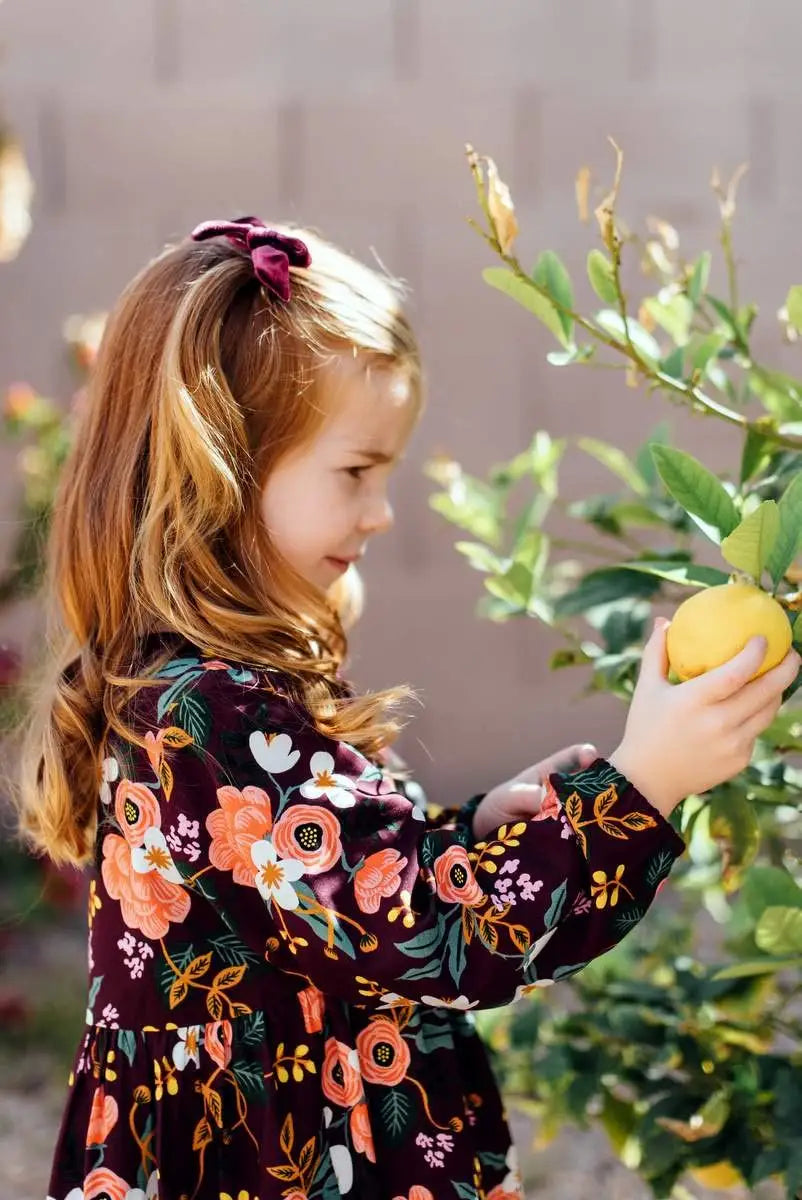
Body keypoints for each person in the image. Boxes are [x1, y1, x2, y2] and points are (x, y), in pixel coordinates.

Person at [12, 216, 799, 1200]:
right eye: (355, 472)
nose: (381, 511)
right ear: (223, 467)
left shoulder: (200, 690)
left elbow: (313, 898)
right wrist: (645, 784)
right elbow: (437, 933)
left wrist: (464, 830)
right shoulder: (208, 715)